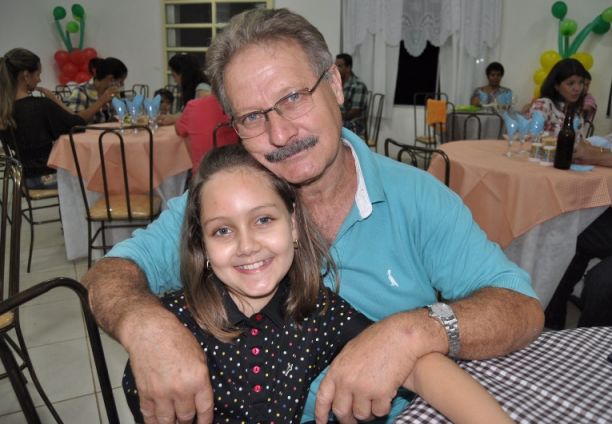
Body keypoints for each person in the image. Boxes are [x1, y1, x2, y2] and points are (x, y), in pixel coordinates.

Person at [83, 8, 543, 424]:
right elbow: (111, 274)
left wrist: (411, 332)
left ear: (335, 85)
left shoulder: (417, 198)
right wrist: (146, 326)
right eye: (252, 117)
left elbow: (520, 308)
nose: (281, 133)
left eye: (293, 97)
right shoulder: (228, 206)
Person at [122, 144, 513, 423]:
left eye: (263, 220)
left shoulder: (315, 309)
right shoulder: (169, 333)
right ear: (202, 245)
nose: (247, 245)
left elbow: (420, 367)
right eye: (222, 230)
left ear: (293, 225)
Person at [545, 61, 612, 329]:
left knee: (603, 283)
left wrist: (595, 155)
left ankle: (590, 347)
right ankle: (551, 323)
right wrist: (592, 149)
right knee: (569, 234)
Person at [0, 48, 85, 189]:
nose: (39, 79)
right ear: (26, 76)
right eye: (38, 74)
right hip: (46, 176)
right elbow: (79, 126)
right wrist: (57, 101)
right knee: (94, 178)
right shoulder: (42, 106)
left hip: (22, 178)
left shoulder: (4, 110)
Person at [175, 94, 237, 173]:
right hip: (239, 169)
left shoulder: (193, 106)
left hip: (202, 174)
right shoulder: (237, 104)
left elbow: (178, 130)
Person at [528, 58, 586, 135]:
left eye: (581, 82)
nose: (577, 88)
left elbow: (580, 140)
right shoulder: (544, 105)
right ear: (556, 85)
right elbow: (531, 136)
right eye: (571, 83)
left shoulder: (577, 113)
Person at [67, 56, 127, 123]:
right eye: (120, 81)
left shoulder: (112, 94)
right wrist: (101, 101)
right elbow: (74, 121)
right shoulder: (81, 91)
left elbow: (115, 118)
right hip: (86, 130)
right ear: (111, 78)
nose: (121, 85)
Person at [158, 53, 211, 126]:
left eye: (174, 76)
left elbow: (198, 116)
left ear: (183, 74)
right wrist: (170, 117)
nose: (174, 80)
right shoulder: (192, 89)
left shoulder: (202, 90)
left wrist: (174, 118)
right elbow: (186, 112)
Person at [335, 53, 368, 136]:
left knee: (328, 127)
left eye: (339, 66)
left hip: (355, 125)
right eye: (335, 66)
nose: (336, 69)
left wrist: (335, 117)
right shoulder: (337, 84)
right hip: (342, 122)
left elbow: (354, 113)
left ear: (348, 68)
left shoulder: (358, 85)